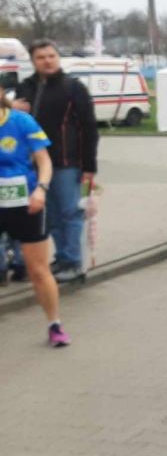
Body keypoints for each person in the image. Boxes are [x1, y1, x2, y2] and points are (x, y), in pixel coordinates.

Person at [11, 39, 99, 284]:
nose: (47, 61)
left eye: (51, 56)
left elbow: (89, 128)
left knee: (70, 213)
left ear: (58, 57)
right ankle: (62, 257)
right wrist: (13, 107)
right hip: (34, 164)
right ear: (33, 61)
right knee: (50, 217)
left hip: (66, 162)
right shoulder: (25, 87)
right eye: (41, 57)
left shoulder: (73, 88)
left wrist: (89, 166)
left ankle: (74, 262)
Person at [0, 89, 68, 346]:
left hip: (26, 203)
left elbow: (44, 161)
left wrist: (41, 189)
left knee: (38, 270)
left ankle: (55, 325)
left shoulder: (21, 121)